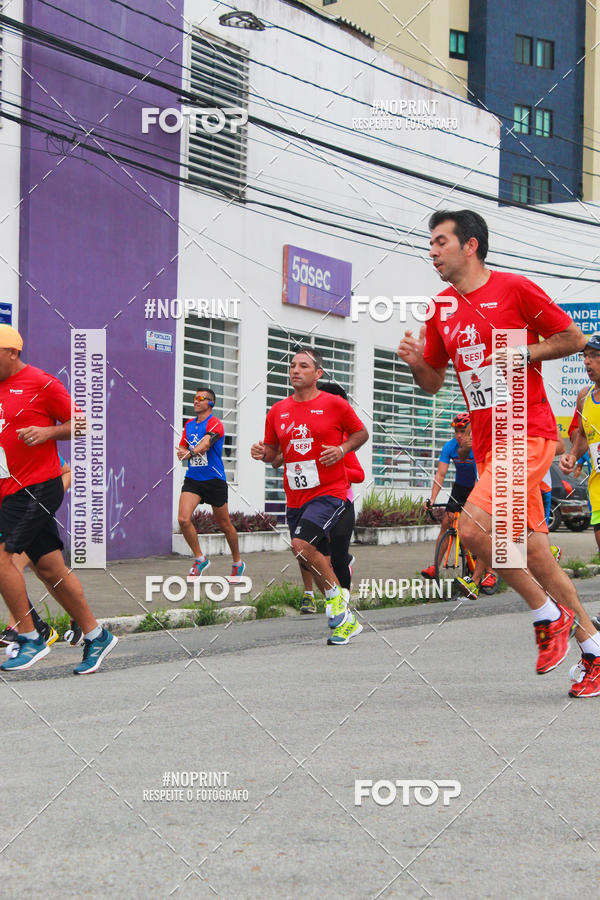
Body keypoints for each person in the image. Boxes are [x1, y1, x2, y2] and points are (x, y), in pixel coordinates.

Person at [398, 209, 600, 698]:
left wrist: (523, 353)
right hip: (490, 447)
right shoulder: (441, 309)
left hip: (527, 432)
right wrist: (417, 363)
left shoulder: (513, 289)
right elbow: (433, 383)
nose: (432, 251)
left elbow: (572, 338)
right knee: (532, 555)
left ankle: (547, 615)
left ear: (470, 245)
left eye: (440, 242)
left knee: (471, 529)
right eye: (430, 243)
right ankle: (593, 649)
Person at [0, 325, 117, 673]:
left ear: (12, 352)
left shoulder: (41, 383)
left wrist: (48, 431)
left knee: (2, 559)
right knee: (50, 569)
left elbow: (83, 424)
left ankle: (30, 637)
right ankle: (97, 635)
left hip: (37, 486)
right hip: (9, 490)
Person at [251, 347, 368, 644]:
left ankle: (337, 601)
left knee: (301, 545)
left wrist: (341, 449)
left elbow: (361, 434)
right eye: (292, 365)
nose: (295, 370)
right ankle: (345, 619)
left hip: (330, 492)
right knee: (309, 557)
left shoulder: (334, 404)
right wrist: (263, 453)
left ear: (318, 373)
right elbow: (275, 454)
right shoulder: (277, 411)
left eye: (303, 365)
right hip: (296, 497)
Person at [268, 382, 364, 613]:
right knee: (306, 551)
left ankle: (342, 604)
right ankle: (315, 596)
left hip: (337, 501)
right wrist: (268, 454)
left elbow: (359, 474)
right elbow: (276, 459)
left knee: (334, 558)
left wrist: (334, 463)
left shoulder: (338, 436)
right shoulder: (296, 427)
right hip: (304, 500)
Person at [0, 457, 75, 651]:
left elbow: (66, 472)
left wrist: (42, 507)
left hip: (29, 514)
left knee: (10, 566)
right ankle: (47, 626)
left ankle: (22, 626)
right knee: (46, 571)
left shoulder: (17, 445)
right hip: (7, 516)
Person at [421, 411, 496, 597]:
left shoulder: (479, 446)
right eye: (456, 431)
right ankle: (435, 566)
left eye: (463, 431)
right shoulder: (450, 447)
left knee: (480, 530)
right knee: (446, 523)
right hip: (460, 488)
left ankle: (490, 572)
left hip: (480, 486)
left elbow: (481, 476)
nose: (459, 435)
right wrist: (432, 498)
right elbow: (440, 474)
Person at [177, 388, 245, 580]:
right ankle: (200, 559)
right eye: (195, 398)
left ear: (211, 403)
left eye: (201, 398)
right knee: (183, 519)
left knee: (224, 524)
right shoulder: (189, 424)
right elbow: (183, 445)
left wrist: (189, 453)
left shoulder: (215, 423)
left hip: (214, 480)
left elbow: (206, 443)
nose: (196, 401)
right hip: (194, 479)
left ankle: (237, 562)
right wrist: (181, 451)